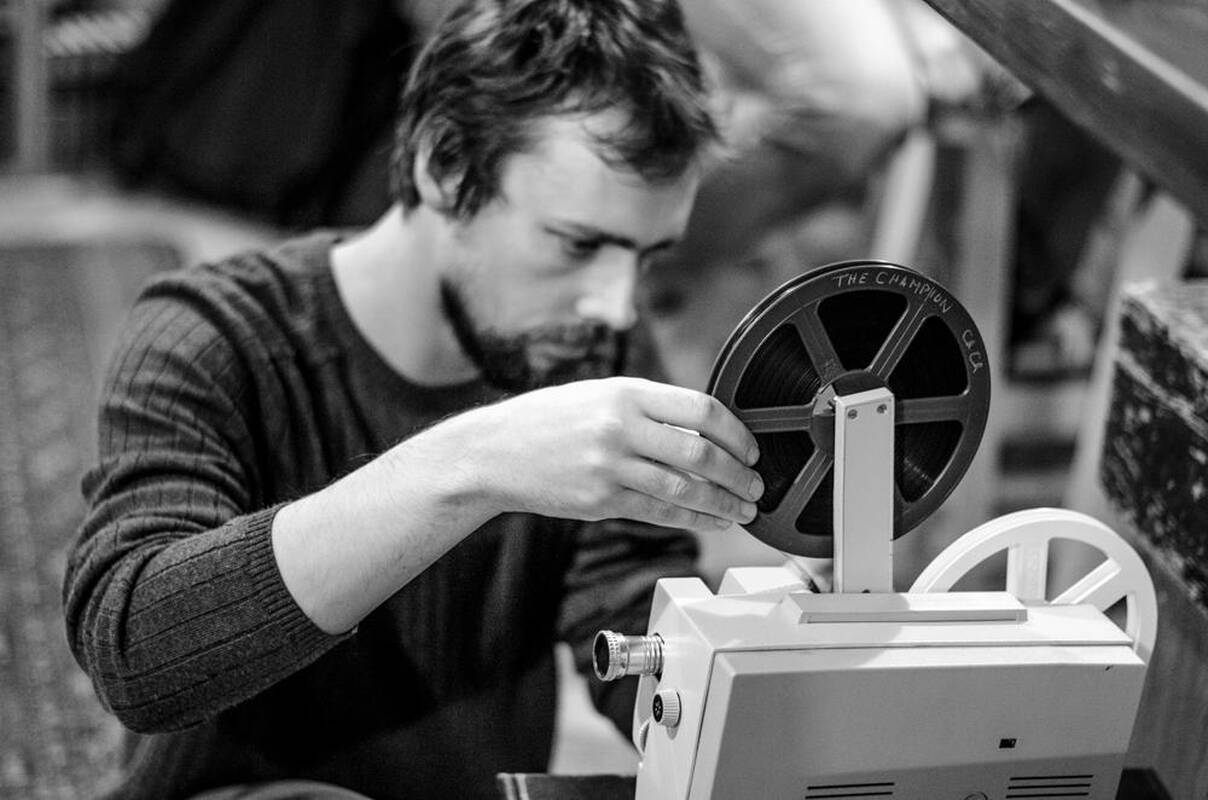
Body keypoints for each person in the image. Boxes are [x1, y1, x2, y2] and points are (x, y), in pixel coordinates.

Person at [62, 1, 765, 798]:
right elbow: (135, 655)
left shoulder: (588, 345)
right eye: (577, 243)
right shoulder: (209, 335)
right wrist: (474, 464)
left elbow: (625, 615)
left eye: (648, 255)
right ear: (445, 166)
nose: (616, 304)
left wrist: (776, 656)